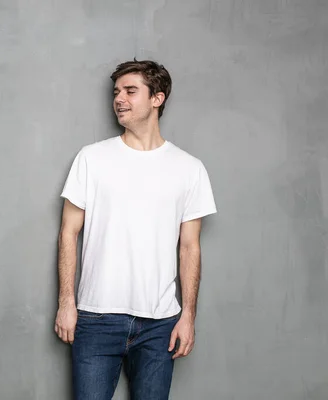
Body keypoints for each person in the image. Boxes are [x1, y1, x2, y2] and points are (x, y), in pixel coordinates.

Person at [54, 59, 217, 400]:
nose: (119, 99)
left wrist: (188, 316)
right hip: (97, 317)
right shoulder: (92, 158)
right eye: (116, 92)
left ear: (157, 98)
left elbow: (190, 248)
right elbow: (69, 231)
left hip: (160, 324)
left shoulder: (189, 169)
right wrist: (67, 303)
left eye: (130, 91)